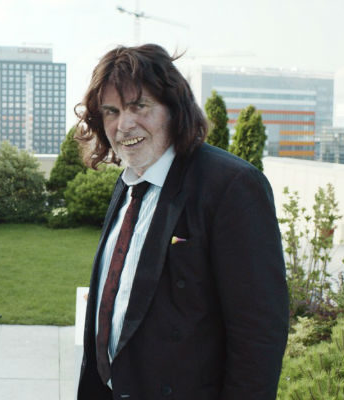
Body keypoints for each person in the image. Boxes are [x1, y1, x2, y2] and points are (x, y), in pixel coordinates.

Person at [75, 44, 289, 400]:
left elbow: (259, 335)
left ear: (174, 109)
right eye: (111, 111)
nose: (123, 125)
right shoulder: (128, 183)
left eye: (138, 106)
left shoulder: (231, 186)